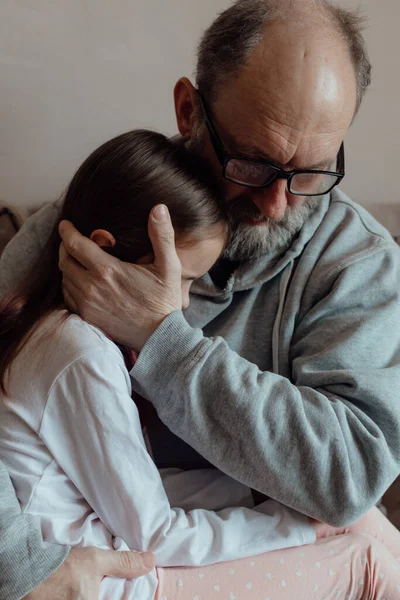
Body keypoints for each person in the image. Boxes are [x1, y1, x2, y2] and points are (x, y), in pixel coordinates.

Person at [1, 0, 400, 597]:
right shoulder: (101, 214)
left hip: (184, 515)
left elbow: (349, 478)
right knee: (371, 556)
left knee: (371, 531)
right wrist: (18, 562)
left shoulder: (355, 262)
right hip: (123, 536)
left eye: (313, 172)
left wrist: (164, 341)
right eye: (254, 163)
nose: (277, 203)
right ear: (190, 110)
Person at [0, 130, 319, 600]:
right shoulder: (80, 355)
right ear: (106, 249)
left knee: (356, 530)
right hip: (96, 581)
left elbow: (141, 491)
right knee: (358, 556)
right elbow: (154, 536)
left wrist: (258, 500)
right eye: (183, 279)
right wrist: (293, 528)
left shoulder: (47, 329)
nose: (182, 306)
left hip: (111, 546)